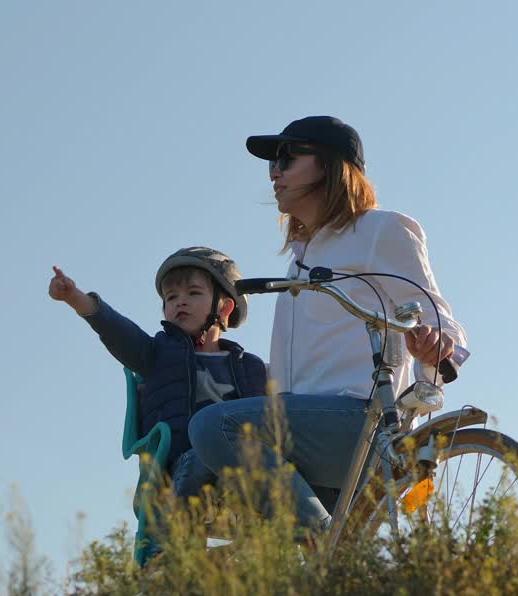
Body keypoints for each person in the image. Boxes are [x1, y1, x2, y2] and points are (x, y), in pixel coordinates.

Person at [188, 116, 468, 535]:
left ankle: (320, 542)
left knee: (215, 425)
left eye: (288, 158)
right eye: (271, 165)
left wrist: (436, 346)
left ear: (331, 166)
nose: (276, 172)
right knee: (193, 461)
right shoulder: (299, 260)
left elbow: (434, 314)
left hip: (357, 420)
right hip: (308, 427)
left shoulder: (379, 230)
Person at [47, 247, 268, 562]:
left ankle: (264, 552)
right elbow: (115, 330)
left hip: (239, 474)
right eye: (170, 296)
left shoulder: (252, 368)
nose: (180, 301)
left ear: (225, 306)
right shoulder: (158, 354)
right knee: (197, 458)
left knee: (273, 474)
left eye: (193, 293)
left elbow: (273, 417)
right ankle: (170, 549)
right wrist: (75, 297)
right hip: (181, 468)